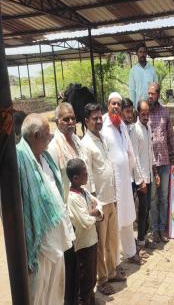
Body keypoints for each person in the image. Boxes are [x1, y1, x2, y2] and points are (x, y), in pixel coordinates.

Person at [16, 113, 75, 305]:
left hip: (56, 239)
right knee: (38, 294)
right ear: (34, 135)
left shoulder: (45, 156)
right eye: (47, 133)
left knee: (56, 291)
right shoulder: (19, 159)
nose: (50, 137)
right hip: (39, 243)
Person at [81, 103, 126, 295]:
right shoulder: (86, 144)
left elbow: (109, 168)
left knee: (112, 241)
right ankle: (101, 280)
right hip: (99, 202)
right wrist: (94, 203)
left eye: (100, 117)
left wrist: (114, 197)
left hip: (111, 199)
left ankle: (112, 271)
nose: (99, 121)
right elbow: (88, 176)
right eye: (94, 118)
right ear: (86, 121)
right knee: (100, 245)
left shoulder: (103, 139)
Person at [48, 102, 86, 305]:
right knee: (70, 265)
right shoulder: (54, 148)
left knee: (81, 260)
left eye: (72, 118)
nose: (70, 122)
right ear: (57, 122)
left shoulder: (76, 141)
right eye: (65, 119)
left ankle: (81, 298)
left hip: (80, 209)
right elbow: (54, 184)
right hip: (66, 215)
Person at [101, 92, 143, 264]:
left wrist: (137, 176)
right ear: (107, 105)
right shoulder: (103, 126)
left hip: (126, 180)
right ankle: (115, 264)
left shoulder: (122, 125)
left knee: (127, 218)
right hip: (113, 184)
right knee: (115, 224)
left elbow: (130, 150)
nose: (116, 107)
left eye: (118, 104)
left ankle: (131, 253)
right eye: (113, 104)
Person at [67, 158, 103, 305]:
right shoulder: (73, 198)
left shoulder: (84, 192)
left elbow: (99, 205)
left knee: (92, 277)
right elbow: (86, 222)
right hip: (83, 245)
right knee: (84, 280)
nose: (88, 175)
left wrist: (94, 211)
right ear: (75, 178)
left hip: (92, 240)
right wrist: (96, 213)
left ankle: (91, 300)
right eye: (85, 173)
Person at [148, 82, 174, 243]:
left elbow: (171, 135)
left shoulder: (165, 113)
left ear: (158, 95)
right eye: (149, 93)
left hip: (165, 161)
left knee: (164, 197)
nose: (150, 96)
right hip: (151, 163)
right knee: (153, 198)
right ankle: (154, 230)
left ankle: (162, 228)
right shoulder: (145, 113)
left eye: (153, 93)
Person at [130, 100, 160, 250]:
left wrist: (155, 173)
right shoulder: (134, 131)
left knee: (147, 208)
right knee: (142, 210)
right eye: (143, 114)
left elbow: (150, 153)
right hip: (141, 178)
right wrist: (140, 181)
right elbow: (134, 157)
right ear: (138, 113)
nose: (146, 117)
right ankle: (141, 240)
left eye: (148, 114)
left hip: (149, 175)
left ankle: (142, 237)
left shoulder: (147, 127)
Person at [128, 42, 158, 107]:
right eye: (140, 52)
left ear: (146, 53)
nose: (142, 54)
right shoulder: (133, 70)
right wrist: (133, 108)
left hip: (151, 106)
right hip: (138, 107)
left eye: (144, 52)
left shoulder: (152, 69)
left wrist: (155, 104)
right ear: (137, 53)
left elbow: (156, 88)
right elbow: (132, 90)